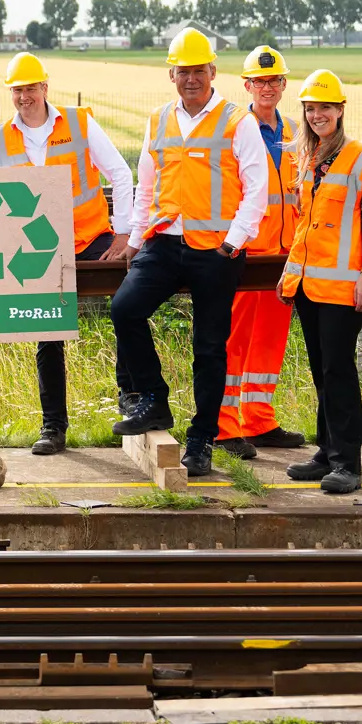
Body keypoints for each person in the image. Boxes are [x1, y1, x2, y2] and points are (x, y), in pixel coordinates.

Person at [110, 28, 270, 478]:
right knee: (124, 309)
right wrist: (137, 238)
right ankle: (154, 401)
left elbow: (257, 186)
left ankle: (201, 439)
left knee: (209, 348)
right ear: (172, 75)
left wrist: (233, 241)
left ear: (213, 72)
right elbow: (146, 184)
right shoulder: (158, 120)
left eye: (198, 71)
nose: (191, 79)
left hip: (215, 250)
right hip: (164, 241)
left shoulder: (237, 120)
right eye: (183, 72)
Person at [0, 52, 135, 455]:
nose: (25, 97)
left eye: (30, 88)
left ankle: (131, 398)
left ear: (45, 87)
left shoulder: (78, 123)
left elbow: (121, 173)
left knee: (128, 307)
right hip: (38, 250)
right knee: (48, 334)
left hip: (93, 240)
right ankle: (54, 426)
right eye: (17, 90)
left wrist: (124, 235)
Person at [277, 69, 362, 494]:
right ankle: (326, 453)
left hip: (344, 285)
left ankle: (347, 463)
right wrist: (289, 272)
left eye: (324, 107)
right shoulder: (307, 156)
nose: (317, 114)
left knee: (338, 371)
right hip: (306, 283)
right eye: (310, 108)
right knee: (323, 371)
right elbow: (306, 224)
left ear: (341, 109)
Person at [215, 46, 306, 457]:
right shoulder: (235, 127)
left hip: (285, 255)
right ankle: (224, 426)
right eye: (259, 82)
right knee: (234, 340)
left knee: (270, 341)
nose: (267, 88)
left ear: (284, 85)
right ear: (247, 86)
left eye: (274, 81)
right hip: (248, 253)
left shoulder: (296, 132)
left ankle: (258, 418)